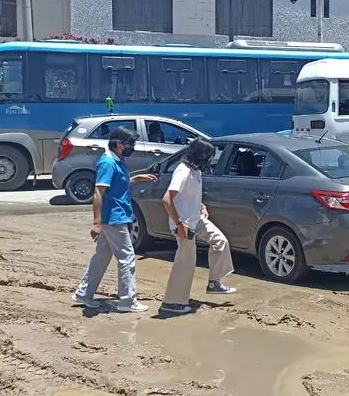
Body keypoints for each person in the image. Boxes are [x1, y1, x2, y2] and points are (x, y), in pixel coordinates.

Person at [73, 127, 158, 313]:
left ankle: (84, 293)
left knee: (102, 256)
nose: (133, 147)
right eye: (131, 144)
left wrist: (136, 178)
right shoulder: (108, 162)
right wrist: (96, 223)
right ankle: (127, 301)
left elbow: (117, 184)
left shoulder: (116, 160)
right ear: (119, 144)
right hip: (113, 217)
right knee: (127, 258)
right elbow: (99, 192)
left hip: (115, 216)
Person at [160, 138, 236, 315]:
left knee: (220, 241)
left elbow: (188, 196)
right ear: (200, 155)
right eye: (208, 156)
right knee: (185, 263)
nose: (210, 160)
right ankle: (172, 302)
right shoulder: (183, 171)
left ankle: (214, 282)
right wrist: (179, 224)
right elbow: (166, 200)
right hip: (184, 223)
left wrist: (201, 206)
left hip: (197, 218)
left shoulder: (196, 171)